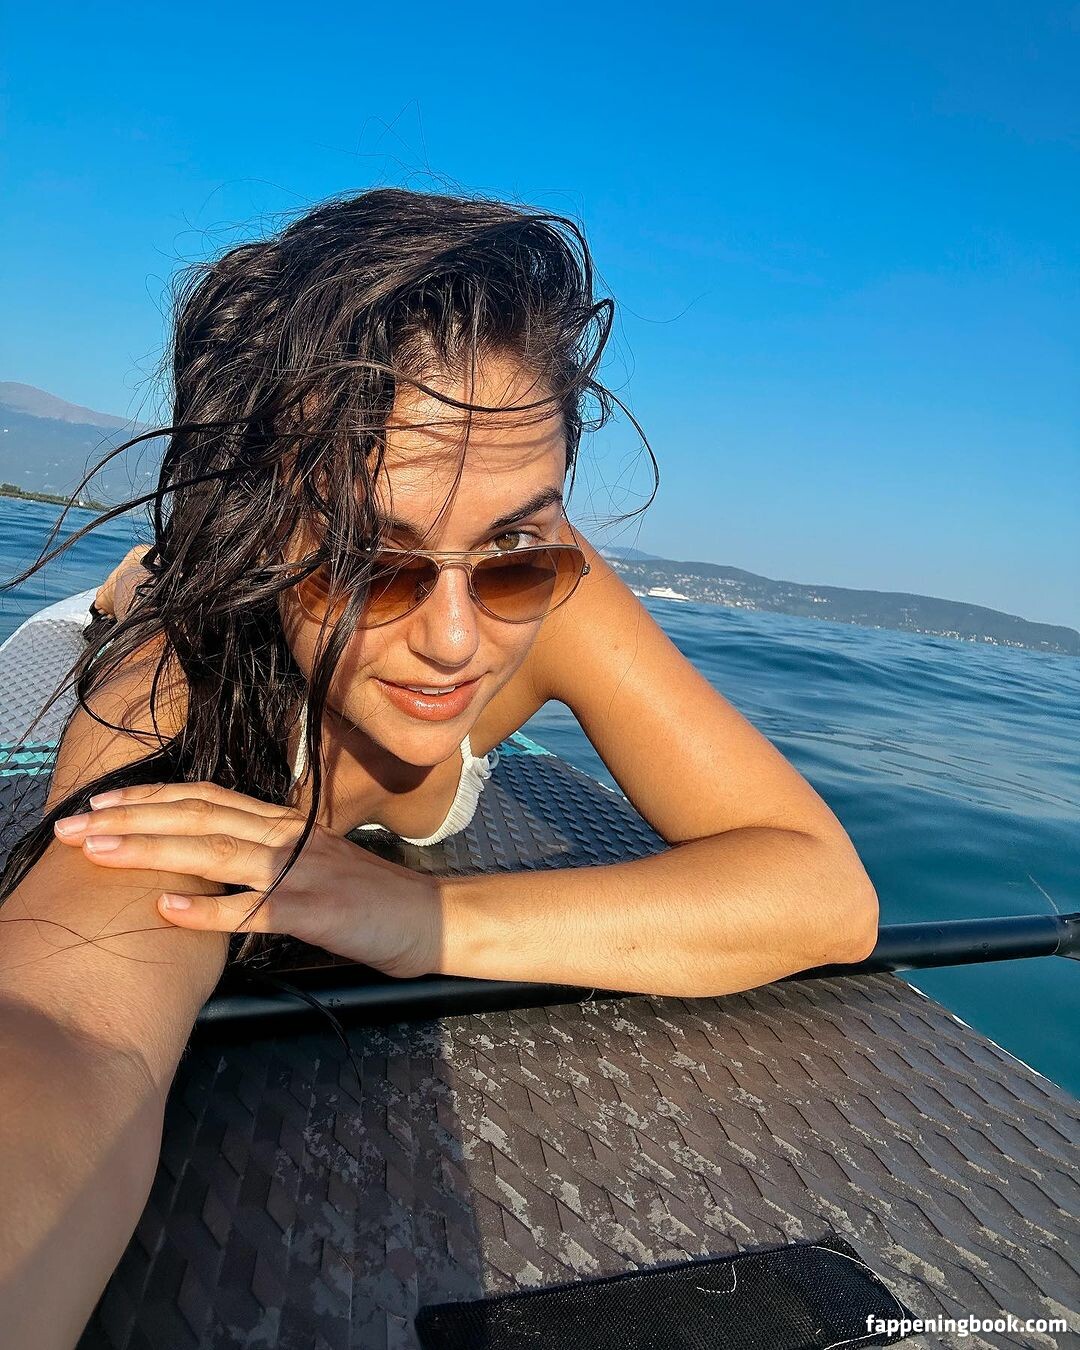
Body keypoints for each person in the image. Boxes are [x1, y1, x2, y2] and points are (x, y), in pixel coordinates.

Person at [0, 187, 879, 1348]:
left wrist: (426, 919)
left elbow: (824, 892)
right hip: (120, 629)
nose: (458, 639)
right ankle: (138, 574)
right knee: (127, 607)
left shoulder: (560, 579)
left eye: (510, 546)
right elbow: (72, 1024)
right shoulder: (175, 688)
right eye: (369, 559)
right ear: (261, 533)